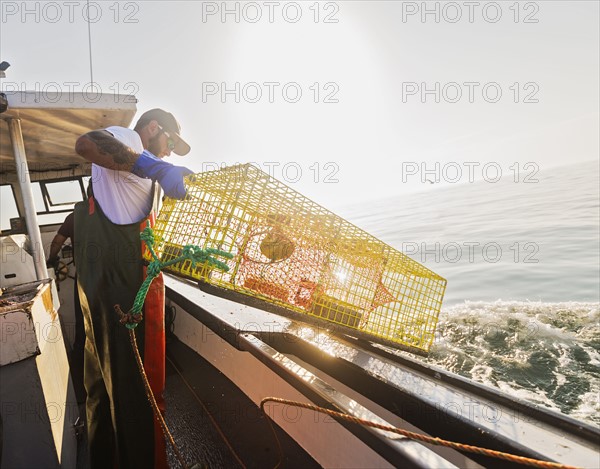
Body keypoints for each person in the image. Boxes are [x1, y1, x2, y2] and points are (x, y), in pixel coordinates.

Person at [74, 109, 192, 469]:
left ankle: (107, 460)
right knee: (135, 396)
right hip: (124, 295)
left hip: (106, 289)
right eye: (170, 143)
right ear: (154, 129)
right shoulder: (128, 140)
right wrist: (153, 166)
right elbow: (86, 144)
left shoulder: (142, 171)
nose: (169, 154)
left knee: (105, 388)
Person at [46, 210, 87, 405]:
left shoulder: (74, 216)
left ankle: (81, 382)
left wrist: (51, 260)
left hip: (85, 278)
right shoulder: (109, 212)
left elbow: (57, 242)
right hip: (110, 276)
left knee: (82, 325)